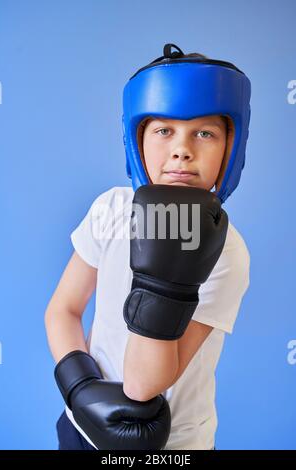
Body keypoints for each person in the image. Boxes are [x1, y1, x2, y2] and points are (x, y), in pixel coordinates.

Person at [45, 43, 251, 450]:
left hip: (175, 445)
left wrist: (167, 267)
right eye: (163, 130)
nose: (182, 149)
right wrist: (79, 388)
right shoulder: (111, 208)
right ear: (136, 140)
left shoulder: (227, 253)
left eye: (204, 133)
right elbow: (62, 310)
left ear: (232, 145)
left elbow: (143, 384)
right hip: (82, 425)